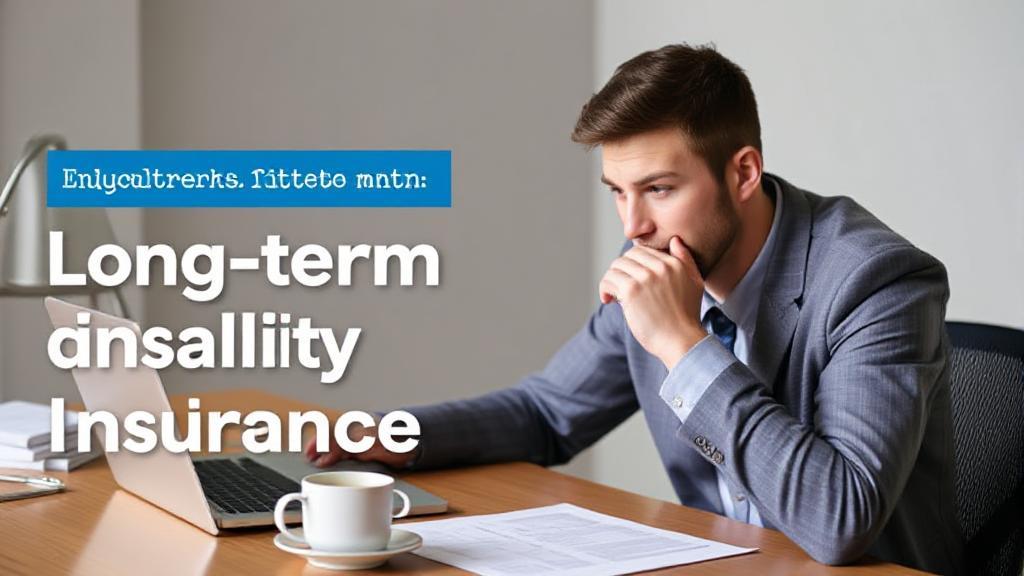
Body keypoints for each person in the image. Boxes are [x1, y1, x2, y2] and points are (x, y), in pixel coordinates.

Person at [306, 44, 965, 574]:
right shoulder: (664, 257)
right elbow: (547, 414)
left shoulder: (875, 281)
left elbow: (840, 521)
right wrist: (391, 434)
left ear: (742, 173)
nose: (635, 225)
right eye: (618, 192)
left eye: (659, 189)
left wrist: (683, 345)